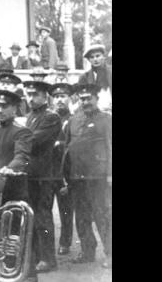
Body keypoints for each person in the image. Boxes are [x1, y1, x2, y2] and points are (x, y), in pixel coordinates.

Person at [61, 84, 112, 269]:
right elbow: (67, 149)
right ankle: (87, 251)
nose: (85, 102)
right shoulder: (74, 120)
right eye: (82, 99)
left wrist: (110, 174)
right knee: (81, 216)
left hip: (97, 177)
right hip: (77, 177)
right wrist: (66, 176)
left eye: (88, 98)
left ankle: (110, 253)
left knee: (102, 215)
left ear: (96, 99)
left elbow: (110, 146)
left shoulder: (106, 119)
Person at [0, 89, 36, 281]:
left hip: (15, 190)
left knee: (17, 240)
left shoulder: (21, 131)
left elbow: (22, 156)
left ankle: (27, 277)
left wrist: (9, 168)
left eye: (4, 107)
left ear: (15, 108)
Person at [22, 81, 63, 273]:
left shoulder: (51, 117)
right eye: (29, 95)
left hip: (44, 175)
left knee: (43, 216)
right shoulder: (30, 116)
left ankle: (48, 259)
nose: (31, 98)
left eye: (35, 95)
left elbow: (34, 142)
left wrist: (18, 138)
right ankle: (37, 256)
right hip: (31, 174)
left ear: (45, 96)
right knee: (33, 215)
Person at [50, 83, 75, 256]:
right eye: (57, 97)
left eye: (63, 96)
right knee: (44, 209)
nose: (60, 99)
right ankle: (46, 243)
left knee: (66, 209)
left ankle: (65, 242)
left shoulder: (74, 119)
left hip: (65, 170)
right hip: (48, 169)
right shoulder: (48, 118)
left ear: (70, 98)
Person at [78, 44, 112, 112]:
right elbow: (81, 98)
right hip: (94, 112)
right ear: (89, 60)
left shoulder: (110, 72)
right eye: (92, 57)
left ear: (103, 56)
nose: (95, 59)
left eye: (98, 56)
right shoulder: (84, 77)